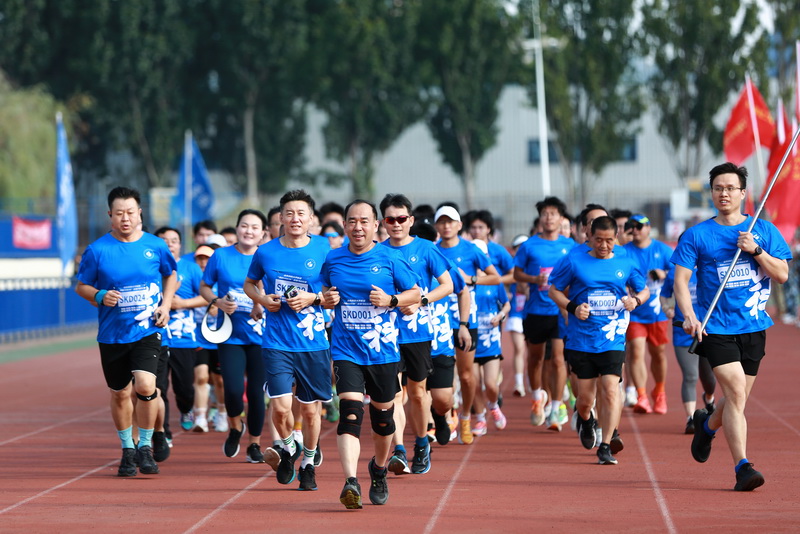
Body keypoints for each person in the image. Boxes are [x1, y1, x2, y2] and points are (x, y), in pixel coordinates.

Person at [672, 162, 790, 491]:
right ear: (711, 193)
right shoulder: (697, 235)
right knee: (736, 393)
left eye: (730, 188)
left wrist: (755, 250)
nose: (724, 193)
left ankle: (706, 427)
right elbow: (680, 282)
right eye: (718, 188)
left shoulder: (763, 230)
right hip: (716, 327)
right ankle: (743, 468)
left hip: (753, 326)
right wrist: (689, 315)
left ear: (743, 193)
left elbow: (781, 275)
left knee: (736, 399)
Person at [321, 200, 420, 509]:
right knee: (350, 412)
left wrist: (391, 299)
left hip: (383, 352)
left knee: (382, 420)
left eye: (364, 221)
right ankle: (350, 481)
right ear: (345, 226)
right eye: (352, 221)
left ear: (376, 225)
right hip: (346, 349)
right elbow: (323, 290)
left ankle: (378, 469)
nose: (358, 227)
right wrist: (326, 298)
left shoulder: (390, 257)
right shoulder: (334, 259)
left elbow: (416, 293)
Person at [76, 186, 178, 476]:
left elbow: (171, 275)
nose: (125, 218)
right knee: (120, 393)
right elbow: (81, 285)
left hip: (148, 327)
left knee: (146, 387)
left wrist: (166, 305)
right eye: (119, 213)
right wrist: (99, 296)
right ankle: (127, 449)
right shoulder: (97, 250)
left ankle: (145, 446)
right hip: (112, 333)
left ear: (139, 213)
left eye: (130, 212)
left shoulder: (155, 246)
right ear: (110, 215)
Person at [244, 190, 335, 491]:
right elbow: (249, 283)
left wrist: (315, 298)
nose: (295, 219)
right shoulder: (266, 252)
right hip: (277, 341)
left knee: (310, 411)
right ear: (280, 218)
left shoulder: (325, 249)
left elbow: (337, 293)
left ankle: (308, 462)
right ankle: (288, 446)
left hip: (313, 343)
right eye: (289, 214)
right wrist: (261, 299)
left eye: (301, 214)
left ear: (312, 219)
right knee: (281, 408)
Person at [549, 216, 649, 465]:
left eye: (609, 240)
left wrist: (635, 301)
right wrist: (572, 307)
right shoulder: (574, 259)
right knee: (585, 400)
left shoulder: (625, 260)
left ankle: (605, 445)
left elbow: (643, 289)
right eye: (598, 240)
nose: (604, 246)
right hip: (581, 340)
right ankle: (586, 419)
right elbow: (554, 289)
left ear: (616, 238)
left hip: (612, 337)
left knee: (611, 390)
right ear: (589, 238)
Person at [379, 193, 453, 476]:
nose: (396, 224)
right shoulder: (378, 252)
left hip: (418, 333)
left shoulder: (426, 249)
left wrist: (420, 301)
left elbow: (446, 285)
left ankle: (422, 444)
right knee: (393, 395)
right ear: (383, 222)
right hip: (385, 334)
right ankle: (398, 450)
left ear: (410, 220)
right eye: (390, 219)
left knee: (419, 395)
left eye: (401, 219)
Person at [200, 209, 269, 464]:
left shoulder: (267, 256)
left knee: (255, 394)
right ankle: (234, 426)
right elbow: (204, 287)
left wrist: (261, 304)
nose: (248, 231)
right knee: (231, 389)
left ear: (262, 233)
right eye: (244, 225)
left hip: (261, 336)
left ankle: (254, 443)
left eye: (254, 227)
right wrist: (217, 301)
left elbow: (274, 293)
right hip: (229, 334)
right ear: (237, 228)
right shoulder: (221, 256)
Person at [434, 204, 500, 444]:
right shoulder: (432, 250)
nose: (446, 226)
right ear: (436, 226)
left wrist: (471, 279)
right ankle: (447, 416)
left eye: (450, 221)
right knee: (441, 375)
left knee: (467, 375)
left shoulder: (471, 250)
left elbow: (495, 276)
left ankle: (465, 418)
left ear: (459, 225)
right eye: (441, 222)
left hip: (465, 320)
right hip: (439, 321)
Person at [513, 196, 575, 430]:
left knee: (559, 359)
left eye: (553, 213)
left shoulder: (569, 246)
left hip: (560, 310)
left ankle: (557, 406)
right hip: (536, 310)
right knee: (536, 358)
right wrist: (533, 279)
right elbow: (517, 274)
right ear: (541, 218)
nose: (549, 217)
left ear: (561, 218)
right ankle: (538, 398)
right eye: (545, 213)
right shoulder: (529, 245)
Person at [623, 214, 674, 415]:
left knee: (658, 354)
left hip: (657, 313)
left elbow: (681, 272)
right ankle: (641, 395)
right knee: (635, 351)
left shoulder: (662, 250)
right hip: (634, 312)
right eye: (631, 226)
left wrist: (665, 274)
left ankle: (659, 392)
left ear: (648, 228)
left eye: (639, 226)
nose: (635, 229)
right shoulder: (624, 252)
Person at [660, 260, 716, 433]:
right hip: (684, 332)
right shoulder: (674, 273)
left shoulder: (712, 268)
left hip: (709, 331)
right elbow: (664, 294)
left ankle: (709, 398)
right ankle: (691, 418)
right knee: (690, 375)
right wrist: (667, 308)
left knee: (709, 379)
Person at [506, 234, 530, 397]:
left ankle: (532, 380)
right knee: (519, 348)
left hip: (532, 312)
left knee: (534, 350)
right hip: (516, 312)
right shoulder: (513, 266)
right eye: (517, 247)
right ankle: (519, 383)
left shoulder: (536, 264)